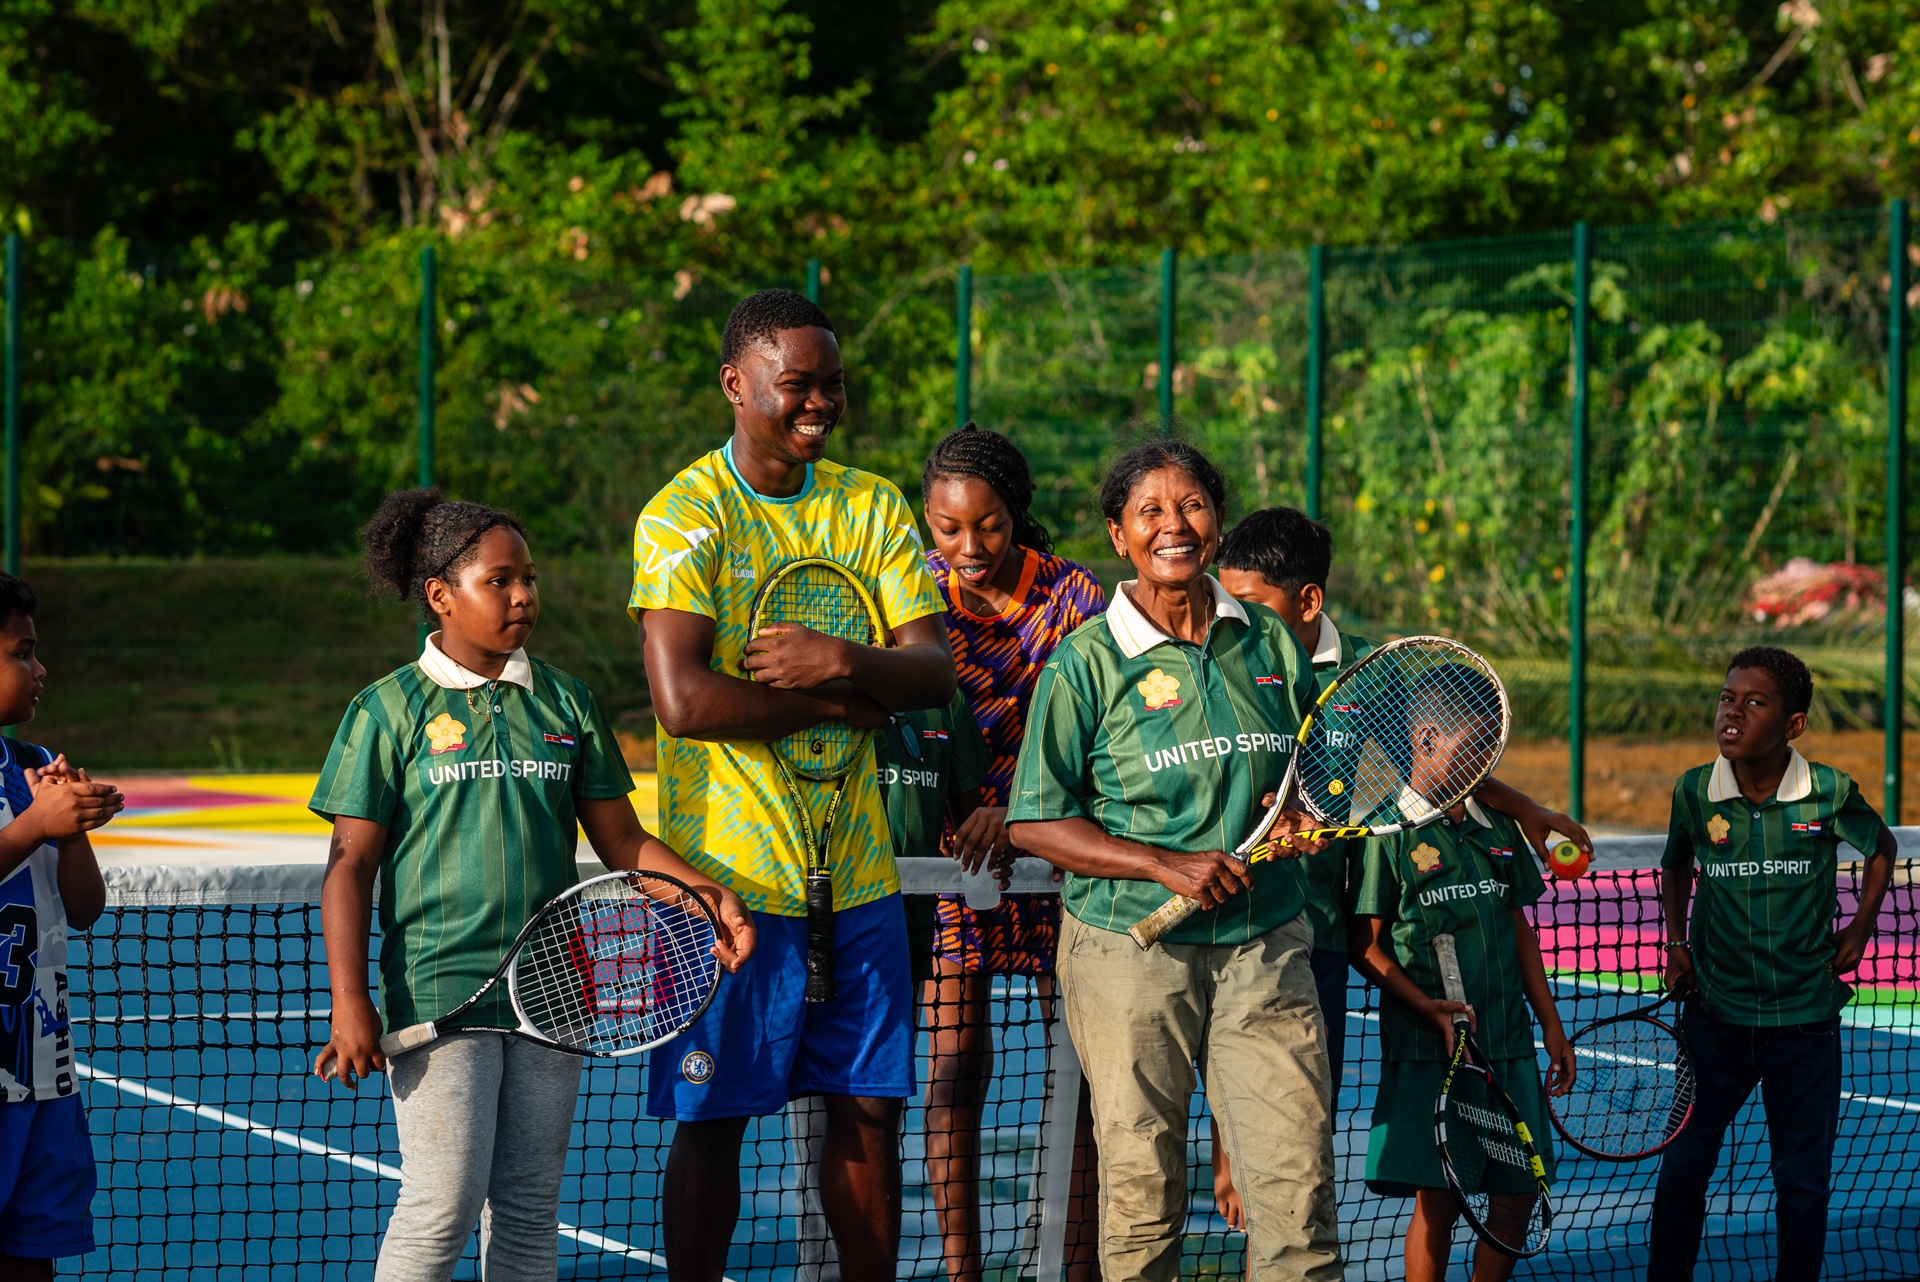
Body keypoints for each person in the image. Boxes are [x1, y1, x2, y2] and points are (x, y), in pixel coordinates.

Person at [312, 489, 754, 1282]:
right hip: (439, 994)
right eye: (500, 580)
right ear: (440, 596)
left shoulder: (565, 700)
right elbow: (349, 866)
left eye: (530, 578)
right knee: (442, 1205)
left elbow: (624, 841)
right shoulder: (386, 711)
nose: (523, 596)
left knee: (526, 1210)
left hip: (554, 993)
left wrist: (706, 897)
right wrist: (350, 999)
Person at [630, 288, 955, 1282]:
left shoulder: (872, 505)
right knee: (714, 1122)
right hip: (724, 885)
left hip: (855, 877)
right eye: (796, 383)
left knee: (867, 1113)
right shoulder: (683, 515)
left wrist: (838, 657)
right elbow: (684, 700)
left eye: (833, 384)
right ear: (737, 384)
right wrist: (834, 702)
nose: (819, 402)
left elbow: (933, 671)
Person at [1007, 439, 1342, 1282]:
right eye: (1149, 511)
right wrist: (1166, 864)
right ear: (1119, 536)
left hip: (1266, 941)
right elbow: (1036, 824)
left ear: (1217, 522)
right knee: (1142, 1195)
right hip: (1129, 949)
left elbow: (1320, 763)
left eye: (1190, 505)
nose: (1173, 525)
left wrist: (1305, 810)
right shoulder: (1087, 661)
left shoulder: (1266, 638)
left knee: (1297, 1193)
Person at [1211, 504, 1589, 1230]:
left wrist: (1530, 810)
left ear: (1309, 600)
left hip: (1320, 931)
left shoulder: (1370, 670)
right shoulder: (1226, 661)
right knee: (1239, 1108)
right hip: (1238, 915)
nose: (1239, 616)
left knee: (1297, 1138)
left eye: (1252, 603)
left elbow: (1449, 761)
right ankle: (1228, 1152)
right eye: (1230, 601)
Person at [919, 423, 1105, 1282]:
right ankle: (963, 1275)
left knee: (1086, 1086)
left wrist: (1016, 809)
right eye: (948, 527)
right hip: (954, 866)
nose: (966, 547)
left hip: (1062, 861)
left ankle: (1074, 1267)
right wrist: (966, 811)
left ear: (1016, 515)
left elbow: (1097, 729)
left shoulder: (1075, 600)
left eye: (987, 526)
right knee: (954, 1071)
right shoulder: (914, 597)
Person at [1648, 646, 1895, 1282]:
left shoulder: (1832, 792)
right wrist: (1676, 945)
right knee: (1681, 1175)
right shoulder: (1695, 790)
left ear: (1793, 725)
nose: (1732, 713)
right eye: (1728, 699)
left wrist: (1861, 929)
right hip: (1714, 1025)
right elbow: (1675, 865)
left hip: (1805, 1028)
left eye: (1755, 703)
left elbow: (1882, 847)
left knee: (1803, 1190)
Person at [1346, 662, 1575, 1282]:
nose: (1482, 770)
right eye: (1472, 750)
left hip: (1509, 1045)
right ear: (1424, 740)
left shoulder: (1496, 825)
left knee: (1518, 1195)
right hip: (1432, 1052)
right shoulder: (1382, 834)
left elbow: (1519, 928)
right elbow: (1364, 947)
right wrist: (1428, 1010)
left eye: (1488, 755)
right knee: (1440, 1201)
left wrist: (1550, 1026)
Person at [789, 687, 991, 1282]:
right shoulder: (814, 692)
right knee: (811, 1137)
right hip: (808, 948)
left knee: (873, 1133)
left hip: (897, 954)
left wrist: (999, 823)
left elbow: (970, 813)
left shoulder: (943, 702)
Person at [0, 572, 122, 1281]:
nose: (39, 668)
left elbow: (84, 909)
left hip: (40, 1067)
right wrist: (33, 826)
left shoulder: (34, 768)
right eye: (22, 653)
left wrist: (69, 829)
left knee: (30, 1256)